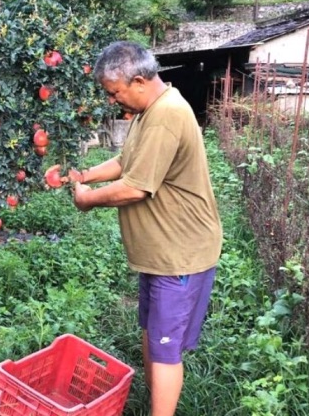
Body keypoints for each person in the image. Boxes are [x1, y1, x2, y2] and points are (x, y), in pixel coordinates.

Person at [47, 41, 223, 416]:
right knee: (152, 334)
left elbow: (135, 187)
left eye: (114, 92)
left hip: (181, 254)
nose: (112, 101)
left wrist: (87, 199)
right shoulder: (150, 110)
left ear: (138, 81)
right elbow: (127, 161)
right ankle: (154, 399)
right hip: (161, 253)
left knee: (165, 348)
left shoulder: (167, 115)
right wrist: (83, 175)